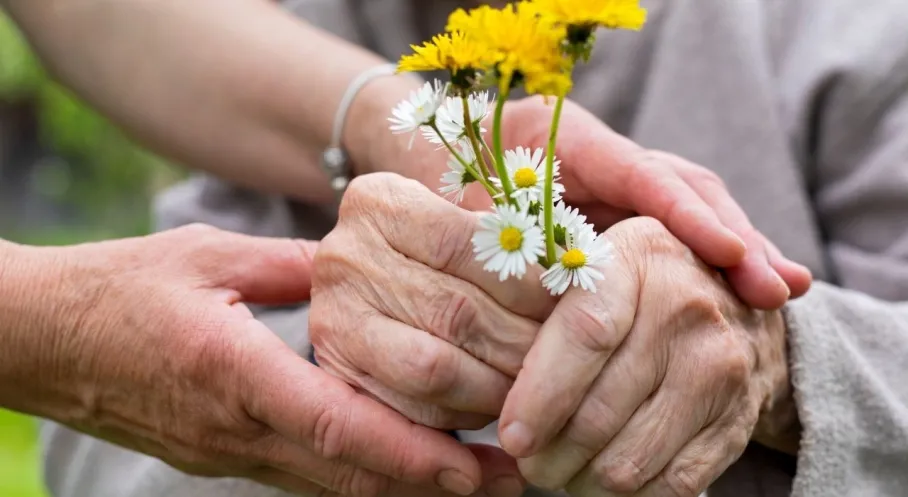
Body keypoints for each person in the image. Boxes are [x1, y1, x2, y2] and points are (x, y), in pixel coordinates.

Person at [6, 0, 906, 496]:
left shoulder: (854, 45)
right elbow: (120, 449)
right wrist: (57, 326)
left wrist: (781, 359)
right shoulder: (290, 48)